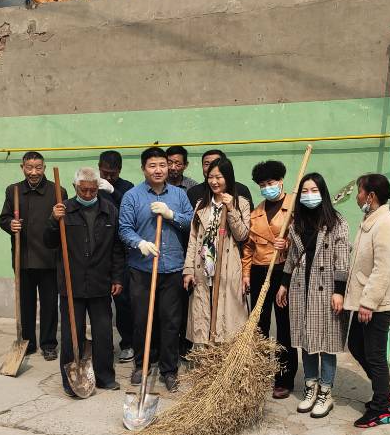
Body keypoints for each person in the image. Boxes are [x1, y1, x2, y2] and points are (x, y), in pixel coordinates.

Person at [118, 146, 194, 392]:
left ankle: (169, 370)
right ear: (143, 169)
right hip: (141, 269)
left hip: (172, 268)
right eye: (152, 166)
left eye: (162, 165)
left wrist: (171, 215)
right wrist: (139, 243)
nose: (158, 170)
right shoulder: (132, 196)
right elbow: (124, 229)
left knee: (171, 322)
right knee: (142, 319)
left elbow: (191, 223)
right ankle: (142, 365)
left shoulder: (179, 195)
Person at [44, 167, 125, 396]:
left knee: (103, 333)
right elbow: (49, 242)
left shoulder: (109, 210)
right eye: (83, 190)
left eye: (92, 190)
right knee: (71, 333)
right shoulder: (63, 209)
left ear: (98, 188)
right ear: (75, 187)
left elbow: (117, 248)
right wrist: (53, 220)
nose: (88, 194)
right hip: (72, 283)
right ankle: (70, 381)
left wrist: (117, 277)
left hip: (101, 281)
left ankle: (105, 377)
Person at [276, 174, 350, 418]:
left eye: (314, 190)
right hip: (301, 288)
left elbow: (342, 259)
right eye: (305, 191)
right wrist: (284, 284)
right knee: (306, 340)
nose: (309, 195)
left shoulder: (336, 221)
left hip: (326, 289)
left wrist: (339, 291)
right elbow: (292, 258)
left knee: (326, 343)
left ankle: (326, 392)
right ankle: (311, 387)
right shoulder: (296, 222)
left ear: (323, 192)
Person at [344, 173, 390, 428]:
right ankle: (385, 394)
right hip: (366, 300)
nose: (357, 197)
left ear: (371, 196)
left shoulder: (386, 223)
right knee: (356, 345)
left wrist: (368, 303)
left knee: (374, 354)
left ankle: (381, 409)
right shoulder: (371, 219)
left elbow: (383, 268)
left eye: (359, 192)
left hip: (378, 303)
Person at [0, 151, 66, 360]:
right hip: (23, 258)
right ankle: (27, 341)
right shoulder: (14, 190)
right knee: (25, 304)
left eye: (38, 167)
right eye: (29, 167)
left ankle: (48, 344)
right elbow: (3, 218)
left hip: (49, 258)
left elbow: (65, 222)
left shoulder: (57, 191)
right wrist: (10, 224)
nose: (34, 172)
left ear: (44, 168)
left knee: (49, 305)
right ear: (23, 168)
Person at [242, 159, 298, 399]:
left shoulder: (294, 206)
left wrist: (288, 243)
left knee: (284, 325)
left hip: (284, 270)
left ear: (281, 181)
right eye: (263, 184)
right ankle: (261, 372)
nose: (267, 187)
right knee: (260, 324)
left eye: (271, 182)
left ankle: (284, 378)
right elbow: (248, 248)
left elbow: (306, 237)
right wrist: (246, 274)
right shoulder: (256, 213)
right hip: (259, 270)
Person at [183, 158, 251, 344]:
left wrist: (231, 209)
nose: (214, 181)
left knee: (226, 317)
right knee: (204, 313)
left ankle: (225, 355)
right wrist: (188, 269)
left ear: (228, 177)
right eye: (210, 177)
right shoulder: (201, 204)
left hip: (228, 268)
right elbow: (193, 239)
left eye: (219, 177)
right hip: (204, 268)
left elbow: (242, 235)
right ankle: (207, 355)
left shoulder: (241, 203)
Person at [98, 150, 135, 362]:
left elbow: (131, 212)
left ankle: (127, 343)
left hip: (122, 252)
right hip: (98, 252)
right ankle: (103, 344)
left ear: (119, 170)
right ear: (99, 168)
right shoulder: (92, 186)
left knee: (123, 302)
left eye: (113, 173)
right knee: (100, 304)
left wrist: (113, 191)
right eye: (105, 173)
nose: (109, 177)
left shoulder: (127, 188)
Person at [186, 149, 253, 209]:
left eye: (215, 163)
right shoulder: (193, 192)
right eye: (207, 164)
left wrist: (232, 210)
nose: (211, 167)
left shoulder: (241, 190)